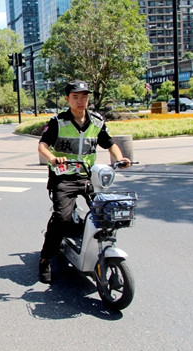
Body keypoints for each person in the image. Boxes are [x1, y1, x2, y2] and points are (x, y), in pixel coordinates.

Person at [37, 80, 131, 283]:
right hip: (64, 177)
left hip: (88, 176)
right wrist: (52, 158)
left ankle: (97, 250)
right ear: (68, 99)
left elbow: (110, 143)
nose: (81, 101)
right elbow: (42, 146)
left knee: (106, 214)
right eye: (76, 97)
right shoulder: (58, 121)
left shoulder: (97, 121)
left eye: (84, 97)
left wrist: (120, 158)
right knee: (62, 218)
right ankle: (45, 259)